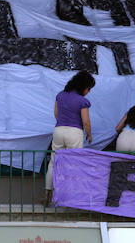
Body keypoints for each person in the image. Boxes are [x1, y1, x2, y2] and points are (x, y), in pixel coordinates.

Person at [43, 70, 95, 207]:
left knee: (54, 163)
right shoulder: (82, 101)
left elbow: (56, 114)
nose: (89, 91)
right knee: (74, 164)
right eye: (89, 88)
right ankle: (70, 198)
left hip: (58, 130)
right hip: (75, 132)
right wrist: (89, 134)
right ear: (83, 86)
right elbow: (86, 122)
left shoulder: (60, 96)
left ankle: (48, 195)